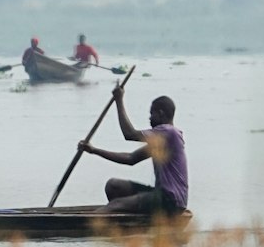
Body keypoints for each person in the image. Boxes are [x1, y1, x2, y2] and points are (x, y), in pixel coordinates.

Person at [79, 85, 188, 215]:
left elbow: (129, 134)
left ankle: (90, 224)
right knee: (113, 186)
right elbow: (131, 159)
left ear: (161, 113)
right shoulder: (160, 141)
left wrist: (119, 101)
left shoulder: (169, 132)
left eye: (151, 114)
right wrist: (94, 150)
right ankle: (130, 221)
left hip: (170, 201)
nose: (149, 118)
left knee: (116, 205)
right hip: (161, 195)